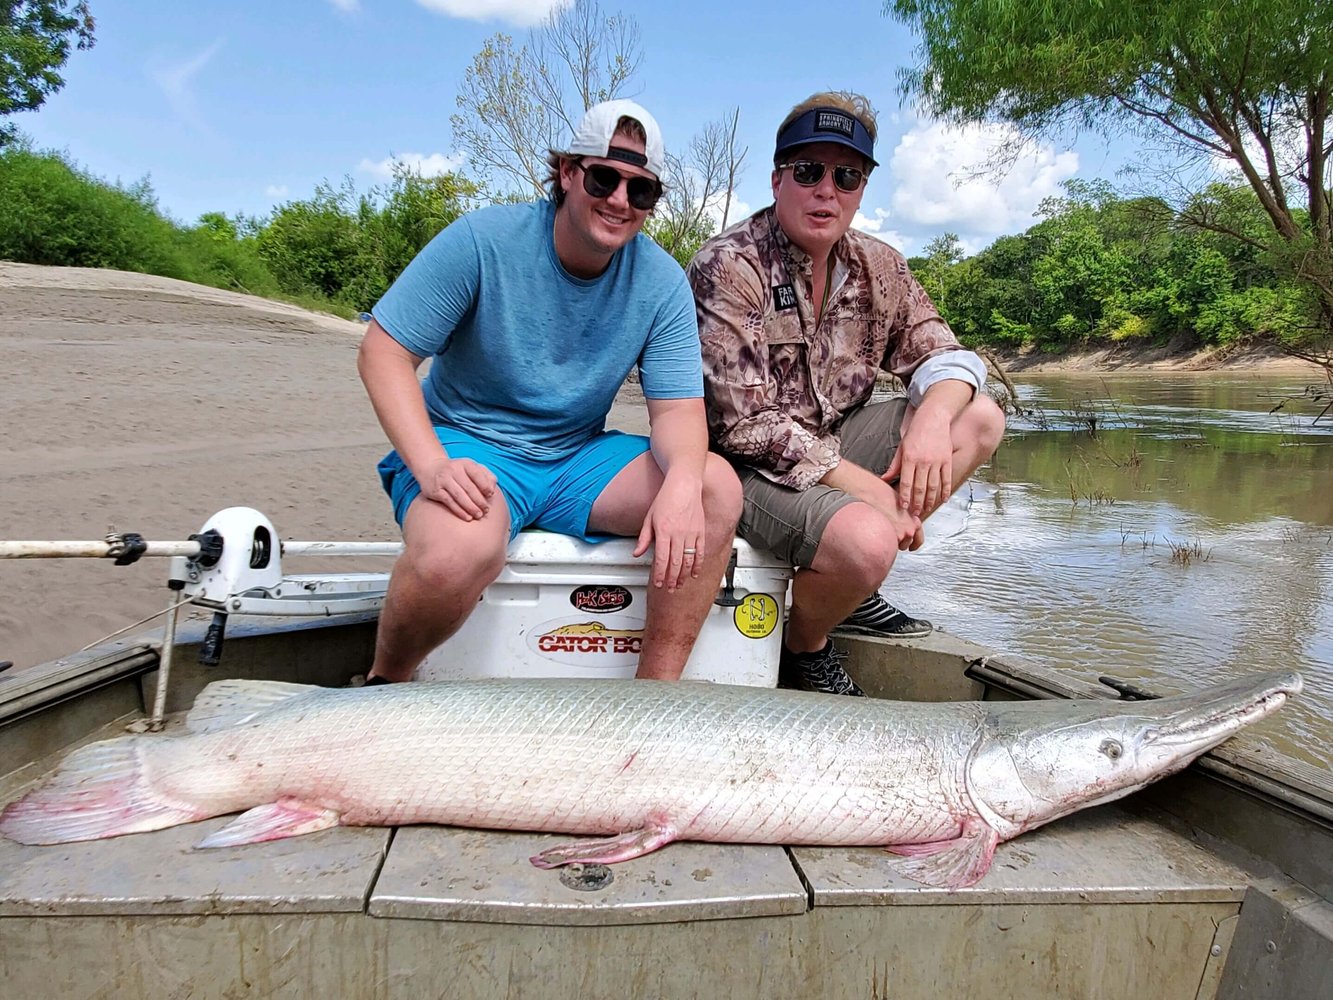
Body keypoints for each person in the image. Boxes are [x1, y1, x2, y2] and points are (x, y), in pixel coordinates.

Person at [359, 99, 742, 684]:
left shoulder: (662, 282)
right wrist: (433, 466)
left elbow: (678, 411)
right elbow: (384, 352)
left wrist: (684, 484)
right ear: (566, 172)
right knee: (455, 555)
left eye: (640, 190)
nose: (619, 200)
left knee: (713, 487)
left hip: (575, 459)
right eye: (604, 177)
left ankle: (652, 699)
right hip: (469, 445)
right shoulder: (483, 242)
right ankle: (386, 681)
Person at [687, 92, 1005, 697]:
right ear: (779, 178)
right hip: (745, 468)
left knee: (980, 419)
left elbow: (944, 353)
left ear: (861, 188)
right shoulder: (730, 265)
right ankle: (804, 644)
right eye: (808, 172)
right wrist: (867, 494)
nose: (825, 190)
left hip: (835, 438)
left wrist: (934, 419)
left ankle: (848, 592)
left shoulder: (879, 265)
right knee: (869, 538)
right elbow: (743, 424)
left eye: (846, 176)